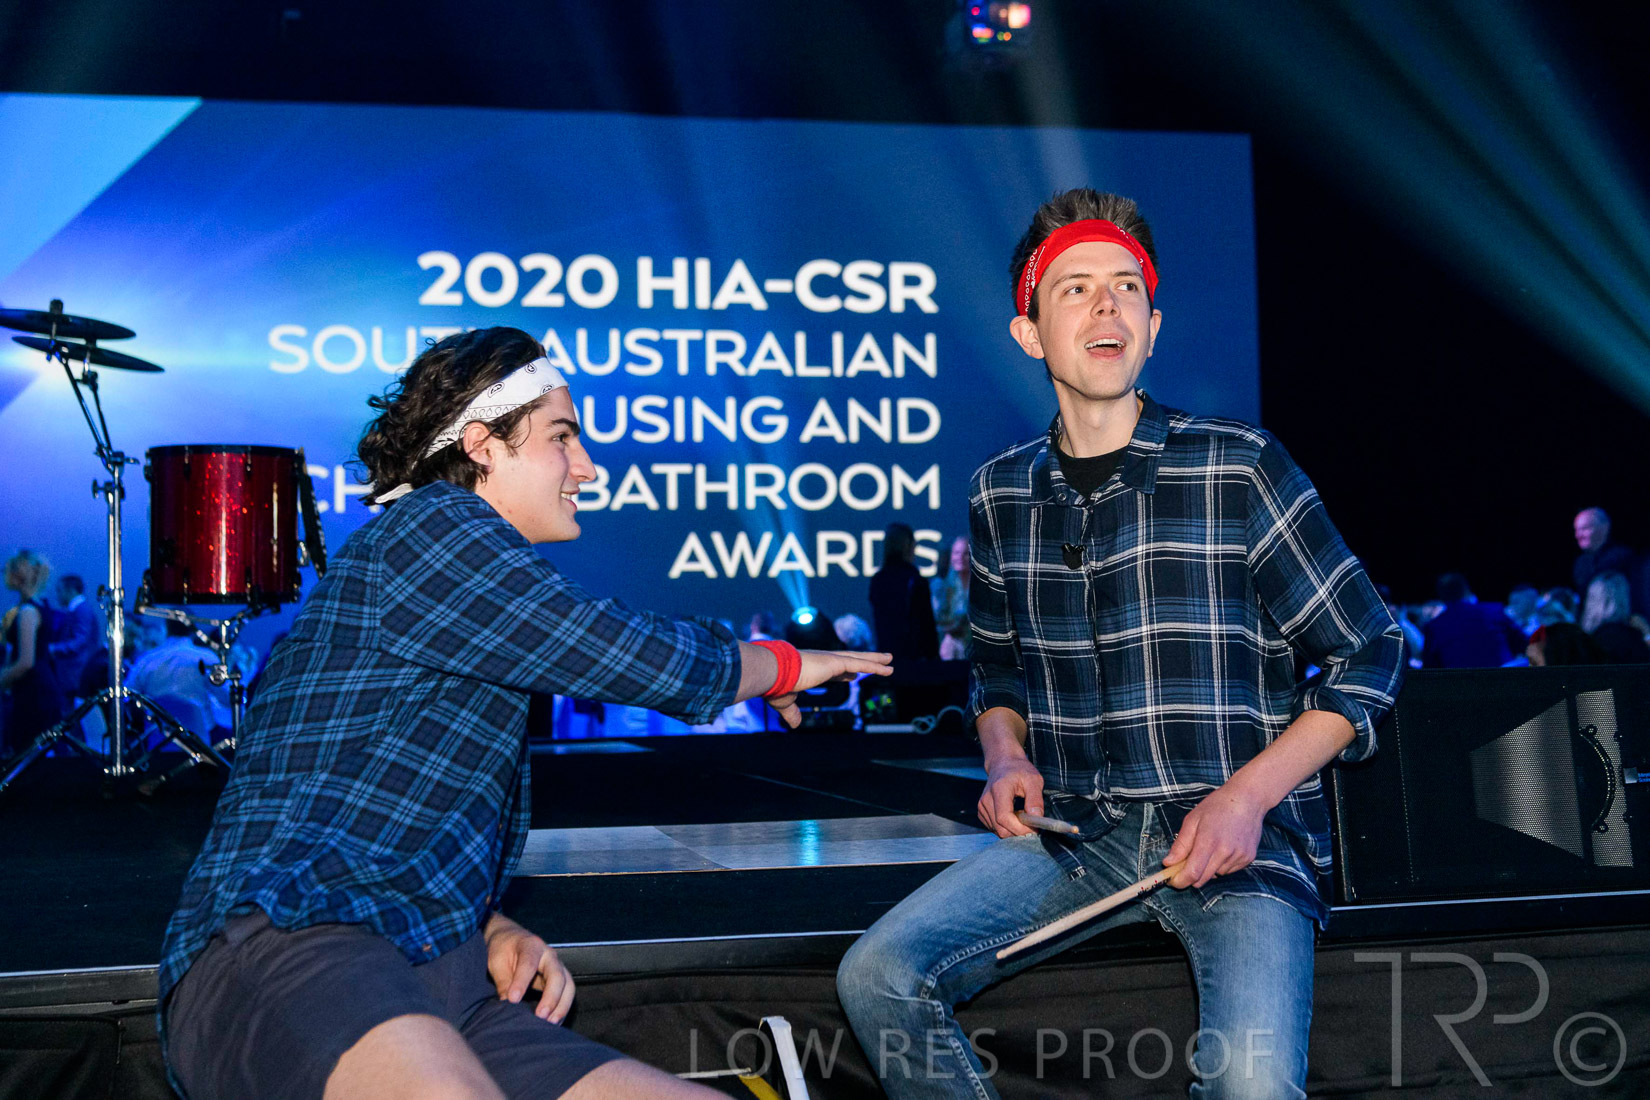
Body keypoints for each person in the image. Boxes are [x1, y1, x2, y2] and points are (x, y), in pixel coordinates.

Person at [158, 327, 892, 1100]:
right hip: (292, 945)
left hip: (441, 979)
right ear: (481, 445)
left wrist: (485, 925)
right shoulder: (435, 529)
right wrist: (782, 664)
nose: (587, 467)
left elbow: (383, 808)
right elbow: (629, 654)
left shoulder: (456, 573)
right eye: (561, 437)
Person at [837, 189, 1404, 1098]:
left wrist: (1245, 799)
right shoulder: (1000, 494)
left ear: (1152, 325)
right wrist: (1004, 757)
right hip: (1079, 835)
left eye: (1126, 287)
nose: (1106, 305)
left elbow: (1370, 650)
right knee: (877, 975)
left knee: (1251, 1081)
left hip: (1241, 840)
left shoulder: (1237, 463)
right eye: (1075, 288)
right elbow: (996, 668)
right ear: (1030, 333)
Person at [1, 550, 66, 757]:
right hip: (40, 689)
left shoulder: (27, 612)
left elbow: (25, 662)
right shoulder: (39, 606)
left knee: (29, 756)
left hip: (33, 693)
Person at [126, 619, 233, 743]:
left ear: (166, 629)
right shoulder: (207, 657)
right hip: (202, 738)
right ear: (193, 630)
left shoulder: (145, 660)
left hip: (157, 736)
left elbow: (128, 696)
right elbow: (227, 697)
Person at [1418, 573, 1527, 668]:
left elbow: (1429, 670)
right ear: (1466, 590)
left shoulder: (1434, 627)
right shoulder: (1494, 612)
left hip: (1459, 685)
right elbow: (1524, 644)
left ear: (1441, 595)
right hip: (1504, 682)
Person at [868, 522, 939, 664]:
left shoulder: (878, 580)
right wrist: (933, 658)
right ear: (909, 546)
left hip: (887, 657)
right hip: (915, 660)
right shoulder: (914, 580)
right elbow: (927, 626)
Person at [47, 573, 102, 699]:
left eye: (59, 590)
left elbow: (79, 641)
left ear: (70, 590)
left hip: (76, 673)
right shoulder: (78, 610)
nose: (57, 595)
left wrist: (53, 648)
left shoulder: (82, 610)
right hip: (72, 674)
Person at [1580, 571, 1650, 663]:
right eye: (1590, 598)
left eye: (1593, 599)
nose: (1588, 605)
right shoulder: (1633, 635)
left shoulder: (1597, 639)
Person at [1572, 508, 1633, 595]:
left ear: (1604, 527)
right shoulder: (1581, 563)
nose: (1578, 535)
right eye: (1577, 530)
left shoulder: (1624, 558)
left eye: (1585, 528)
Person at [930, 536, 971, 660]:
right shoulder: (941, 586)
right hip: (950, 646)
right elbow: (935, 620)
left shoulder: (981, 586)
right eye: (956, 553)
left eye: (965, 553)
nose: (960, 557)